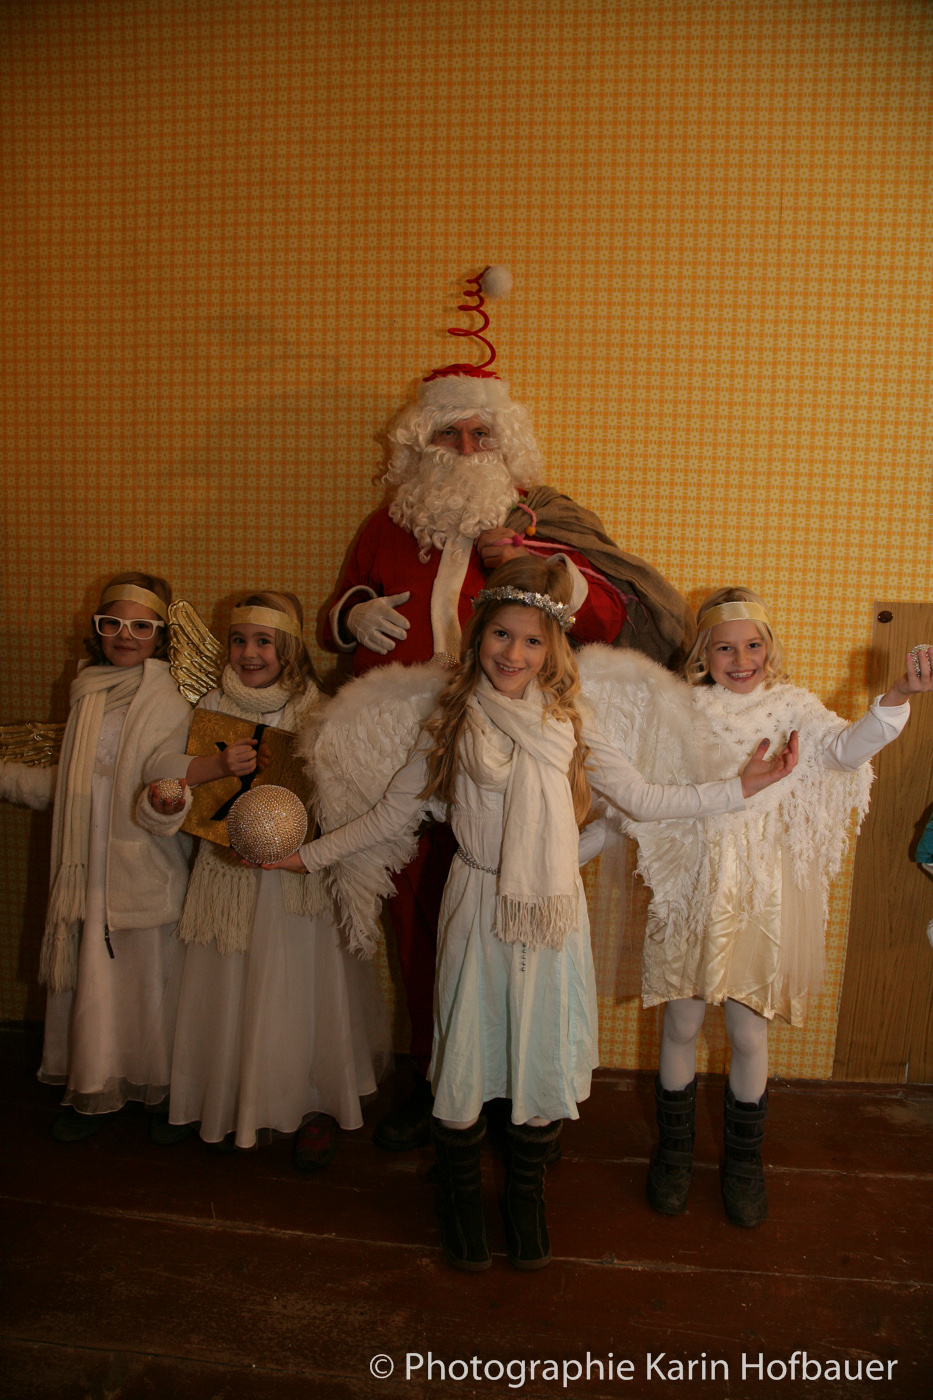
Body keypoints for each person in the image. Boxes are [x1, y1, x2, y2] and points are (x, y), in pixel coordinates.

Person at [273, 558, 795, 1270]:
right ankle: (459, 1197)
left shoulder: (571, 722)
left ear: (550, 650)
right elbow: (389, 817)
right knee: (465, 1054)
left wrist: (740, 788)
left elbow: (644, 800)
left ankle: (525, 1196)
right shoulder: (449, 721)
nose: (512, 653)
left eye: (530, 640)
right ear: (478, 638)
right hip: (477, 904)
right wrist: (306, 856)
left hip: (550, 914)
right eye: (501, 635)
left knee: (539, 1056)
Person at [322, 266, 694, 1150]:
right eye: (445, 432)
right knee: (421, 929)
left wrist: (539, 566)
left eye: (478, 432)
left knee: (522, 928)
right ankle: (435, 1081)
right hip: (411, 752)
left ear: (503, 442)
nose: (462, 445)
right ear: (419, 444)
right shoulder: (385, 526)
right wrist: (352, 615)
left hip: (519, 763)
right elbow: (340, 609)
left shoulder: (538, 520)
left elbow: (609, 617)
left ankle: (519, 1094)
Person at [638, 587, 933, 1228]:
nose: (741, 660)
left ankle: (744, 1163)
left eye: (752, 646)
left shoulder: (793, 707)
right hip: (695, 885)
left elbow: (844, 752)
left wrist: (897, 695)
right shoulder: (681, 709)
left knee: (748, 1032)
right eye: (725, 648)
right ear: (704, 654)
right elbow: (650, 788)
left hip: (762, 894)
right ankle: (674, 1153)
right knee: (681, 1023)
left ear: (769, 649)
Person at [144, 592, 390, 1166]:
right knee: (227, 989)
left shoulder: (318, 710)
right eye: (239, 640)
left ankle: (308, 1101)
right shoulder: (212, 703)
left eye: (264, 642)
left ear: (290, 648)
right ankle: (219, 1098)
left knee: (294, 990)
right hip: (226, 876)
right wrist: (213, 766)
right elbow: (163, 769)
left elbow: (347, 793)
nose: (249, 653)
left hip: (294, 883)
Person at [0, 572, 193, 1142]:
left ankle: (160, 1091)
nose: (125, 635)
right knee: (96, 978)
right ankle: (93, 1083)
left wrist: (169, 798)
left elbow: (171, 777)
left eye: (141, 626)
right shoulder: (86, 690)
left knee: (147, 978)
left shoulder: (171, 702)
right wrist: (8, 777)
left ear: (159, 635)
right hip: (86, 860)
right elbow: (74, 782)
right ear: (97, 629)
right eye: (113, 623)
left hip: (145, 858)